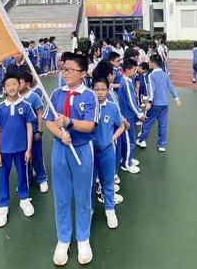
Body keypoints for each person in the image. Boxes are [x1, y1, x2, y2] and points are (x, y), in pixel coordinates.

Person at [44, 53, 98, 266]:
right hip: (60, 150)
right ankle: (63, 239)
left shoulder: (89, 96)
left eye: (70, 70)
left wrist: (69, 123)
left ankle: (83, 238)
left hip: (82, 150)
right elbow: (49, 121)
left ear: (82, 73)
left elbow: (90, 125)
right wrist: (60, 134)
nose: (65, 73)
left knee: (83, 195)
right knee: (62, 195)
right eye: (63, 69)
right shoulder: (56, 94)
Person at [0, 73, 36, 228]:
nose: (11, 87)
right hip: (4, 151)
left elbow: (29, 127)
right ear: (4, 88)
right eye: (8, 85)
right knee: (3, 177)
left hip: (22, 149)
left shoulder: (25, 106)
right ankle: (3, 207)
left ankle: (24, 199)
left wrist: (29, 149)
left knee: (23, 175)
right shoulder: (0, 108)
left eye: (14, 84)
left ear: (20, 86)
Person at [92, 78, 125, 229]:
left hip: (107, 152)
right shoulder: (88, 107)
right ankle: (89, 209)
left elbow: (121, 126)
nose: (99, 92)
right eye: (96, 89)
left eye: (102, 89)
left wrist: (112, 138)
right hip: (90, 153)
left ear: (107, 90)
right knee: (90, 183)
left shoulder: (112, 107)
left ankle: (110, 209)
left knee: (108, 181)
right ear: (92, 90)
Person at [137, 54, 181, 152]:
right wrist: (176, 98)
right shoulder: (165, 74)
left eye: (149, 62)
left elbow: (152, 90)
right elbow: (171, 87)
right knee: (163, 124)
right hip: (164, 104)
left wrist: (149, 101)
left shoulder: (151, 75)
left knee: (147, 123)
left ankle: (141, 140)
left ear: (152, 63)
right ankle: (162, 145)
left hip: (155, 104)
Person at [19, 72, 48, 193]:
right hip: (20, 135)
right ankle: (28, 178)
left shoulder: (34, 97)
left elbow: (39, 114)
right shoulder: (16, 97)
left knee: (36, 156)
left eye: (19, 83)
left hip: (34, 132)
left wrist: (39, 131)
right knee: (23, 158)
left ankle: (42, 179)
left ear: (27, 84)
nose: (17, 85)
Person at [118, 58, 144, 173]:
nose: (135, 72)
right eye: (134, 70)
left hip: (128, 115)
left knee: (129, 140)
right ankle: (126, 163)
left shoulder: (127, 81)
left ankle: (128, 158)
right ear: (127, 70)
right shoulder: (127, 83)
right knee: (129, 141)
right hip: (127, 116)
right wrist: (139, 114)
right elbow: (131, 102)